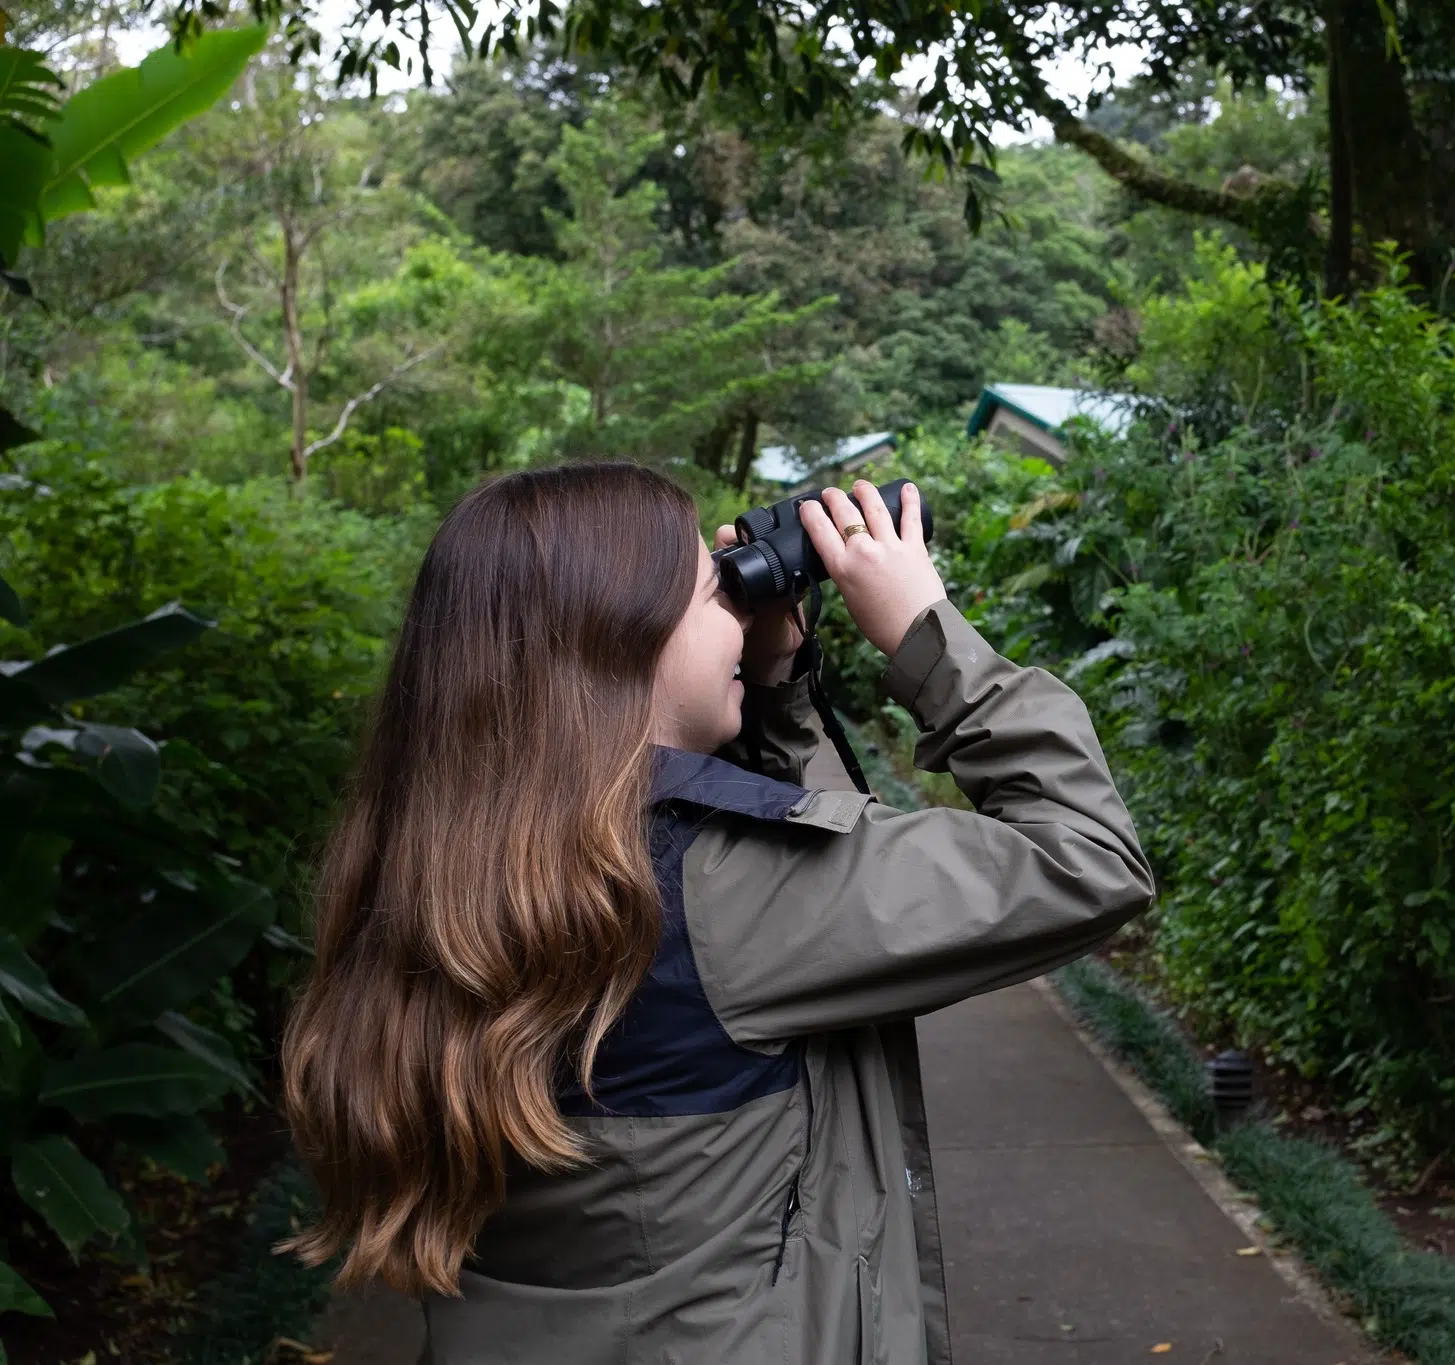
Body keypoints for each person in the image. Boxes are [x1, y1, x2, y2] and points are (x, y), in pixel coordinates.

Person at [278, 461, 1153, 1364]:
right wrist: (925, 635)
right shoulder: (721, 891)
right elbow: (1087, 856)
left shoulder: (442, 874)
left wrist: (772, 687)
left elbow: (795, 850)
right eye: (714, 591)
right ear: (619, 647)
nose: (740, 609)